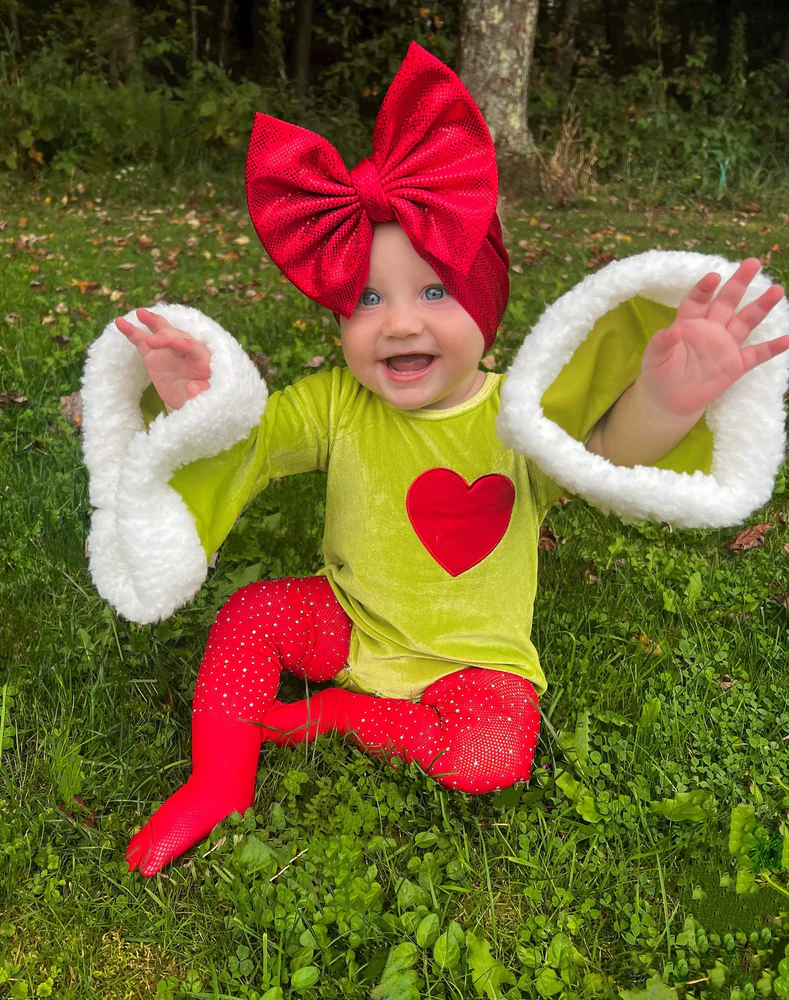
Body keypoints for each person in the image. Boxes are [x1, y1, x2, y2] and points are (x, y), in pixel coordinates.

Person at [80, 43, 789, 878]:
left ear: (484, 309)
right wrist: (191, 400)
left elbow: (605, 456)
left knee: (493, 757)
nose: (400, 323)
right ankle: (219, 779)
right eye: (367, 299)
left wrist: (667, 401)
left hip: (473, 663)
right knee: (250, 614)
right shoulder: (333, 404)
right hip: (350, 624)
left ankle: (337, 718)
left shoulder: (517, 416)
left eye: (433, 292)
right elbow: (246, 446)